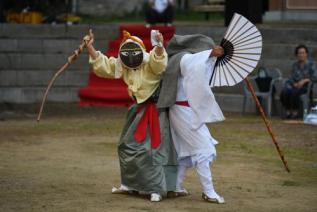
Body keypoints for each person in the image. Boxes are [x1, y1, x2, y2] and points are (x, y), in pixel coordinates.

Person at [85, 29, 178, 202]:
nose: (130, 56)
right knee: (126, 146)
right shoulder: (124, 64)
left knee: (151, 151)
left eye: (133, 52)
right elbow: (105, 66)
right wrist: (89, 47)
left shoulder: (149, 59)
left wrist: (158, 45)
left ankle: (156, 189)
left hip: (155, 111)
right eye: (126, 52)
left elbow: (159, 64)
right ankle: (130, 184)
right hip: (137, 110)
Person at [156, 34, 226, 203]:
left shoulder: (187, 59)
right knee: (204, 150)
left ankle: (176, 187)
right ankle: (209, 192)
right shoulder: (182, 58)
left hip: (186, 110)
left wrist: (210, 57)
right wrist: (210, 54)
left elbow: (200, 73)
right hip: (181, 110)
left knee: (187, 153)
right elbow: (192, 63)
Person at [280, 44, 317, 119]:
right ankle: (288, 111)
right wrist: (294, 83)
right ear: (297, 55)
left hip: (306, 87)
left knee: (295, 93)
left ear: (306, 54)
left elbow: (315, 77)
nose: (301, 55)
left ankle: (295, 113)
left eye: (303, 53)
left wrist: (304, 81)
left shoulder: (311, 65)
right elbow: (291, 77)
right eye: (299, 53)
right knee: (284, 92)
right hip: (295, 86)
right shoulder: (295, 65)